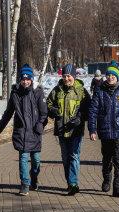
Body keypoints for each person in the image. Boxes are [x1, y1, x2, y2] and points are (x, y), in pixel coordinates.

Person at [0, 64, 48, 196]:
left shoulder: (38, 93)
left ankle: (34, 177)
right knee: (23, 158)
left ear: (32, 79)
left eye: (27, 79)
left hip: (35, 132)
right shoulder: (15, 94)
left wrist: (40, 125)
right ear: (20, 80)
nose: (25, 82)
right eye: (23, 79)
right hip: (21, 132)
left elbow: (44, 113)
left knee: (36, 161)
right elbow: (8, 113)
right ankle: (24, 183)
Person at [88, 66, 119, 198]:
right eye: (108, 75)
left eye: (113, 76)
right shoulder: (99, 92)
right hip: (104, 131)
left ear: (117, 77)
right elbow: (92, 112)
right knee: (107, 159)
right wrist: (92, 130)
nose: (110, 78)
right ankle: (106, 180)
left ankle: (117, 188)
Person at [47, 63, 91, 196]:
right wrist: (53, 111)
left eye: (69, 76)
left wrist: (80, 118)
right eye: (65, 76)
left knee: (74, 156)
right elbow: (48, 104)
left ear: (74, 76)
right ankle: (69, 181)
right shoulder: (57, 90)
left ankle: (73, 183)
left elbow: (89, 109)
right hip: (61, 129)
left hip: (76, 130)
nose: (66, 79)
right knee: (65, 158)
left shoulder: (81, 91)